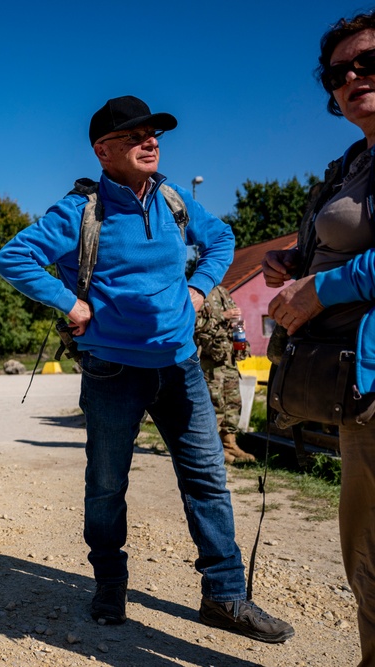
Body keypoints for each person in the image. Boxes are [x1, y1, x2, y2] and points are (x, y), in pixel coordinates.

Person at [0, 96, 294, 642]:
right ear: (103, 151)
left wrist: (200, 290)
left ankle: (225, 596)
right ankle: (110, 584)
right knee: (107, 484)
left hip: (180, 365)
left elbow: (221, 238)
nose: (150, 141)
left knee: (207, 479)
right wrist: (72, 304)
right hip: (112, 369)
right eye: (134, 136)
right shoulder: (80, 212)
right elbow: (12, 257)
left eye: (153, 133)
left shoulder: (174, 199)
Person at [264, 11, 375, 663]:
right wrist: (295, 266)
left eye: (369, 61)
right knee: (365, 555)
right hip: (353, 381)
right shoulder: (350, 163)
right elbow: (325, 253)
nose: (353, 77)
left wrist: (318, 291)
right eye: (338, 72)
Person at [194, 285, 255, 463]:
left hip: (229, 359)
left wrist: (239, 329)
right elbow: (192, 323)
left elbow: (234, 322)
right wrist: (224, 316)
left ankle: (229, 444)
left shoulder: (223, 292)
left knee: (233, 403)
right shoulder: (196, 291)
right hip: (211, 362)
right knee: (215, 406)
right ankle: (212, 450)